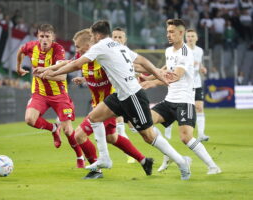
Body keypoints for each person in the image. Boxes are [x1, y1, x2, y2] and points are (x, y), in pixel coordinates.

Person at [37, 20, 192, 180]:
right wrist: (159, 73)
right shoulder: (116, 45)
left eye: (92, 35)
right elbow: (142, 61)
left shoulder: (100, 46)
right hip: (120, 95)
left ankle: (182, 163)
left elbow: (76, 64)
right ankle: (104, 159)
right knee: (94, 117)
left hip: (133, 96)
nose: (91, 38)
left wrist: (53, 73)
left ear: (97, 35)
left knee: (148, 136)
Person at [41, 29, 154, 179]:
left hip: (108, 106)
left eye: (78, 46)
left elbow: (133, 67)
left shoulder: (102, 58)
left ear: (88, 45)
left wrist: (152, 72)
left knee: (79, 135)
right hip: (100, 106)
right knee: (112, 138)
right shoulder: (83, 57)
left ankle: (97, 170)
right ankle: (144, 160)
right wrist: (46, 69)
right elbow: (70, 63)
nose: (76, 50)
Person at [141, 19, 221, 175]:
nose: (168, 35)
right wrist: (147, 78)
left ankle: (213, 166)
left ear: (181, 33)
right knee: (145, 123)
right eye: (167, 32)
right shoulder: (169, 51)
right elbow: (165, 69)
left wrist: (154, 83)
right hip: (169, 100)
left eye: (172, 32)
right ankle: (172, 155)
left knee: (186, 138)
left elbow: (175, 76)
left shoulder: (186, 52)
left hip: (184, 102)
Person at [16, 24, 84, 168]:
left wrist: (45, 74)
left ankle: (80, 156)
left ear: (53, 37)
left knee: (67, 129)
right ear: (37, 37)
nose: (44, 39)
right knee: (29, 119)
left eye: (47, 36)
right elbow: (21, 50)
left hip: (59, 94)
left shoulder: (58, 50)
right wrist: (19, 67)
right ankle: (53, 129)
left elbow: (62, 77)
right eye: (42, 36)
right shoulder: (31, 47)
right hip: (40, 93)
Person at [158, 28, 210, 172]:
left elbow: (189, 68)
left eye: (193, 36)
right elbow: (170, 67)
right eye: (189, 36)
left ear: (197, 38)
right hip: (175, 89)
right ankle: (169, 148)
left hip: (192, 85)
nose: (191, 38)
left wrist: (202, 68)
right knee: (149, 121)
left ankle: (201, 135)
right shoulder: (174, 51)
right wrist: (155, 74)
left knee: (198, 108)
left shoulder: (197, 51)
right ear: (185, 36)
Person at [111, 27, 136, 164]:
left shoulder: (128, 53)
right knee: (117, 124)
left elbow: (137, 67)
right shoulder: (107, 54)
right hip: (115, 95)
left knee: (140, 129)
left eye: (120, 37)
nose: (117, 40)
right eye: (115, 37)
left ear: (125, 40)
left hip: (129, 94)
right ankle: (130, 155)